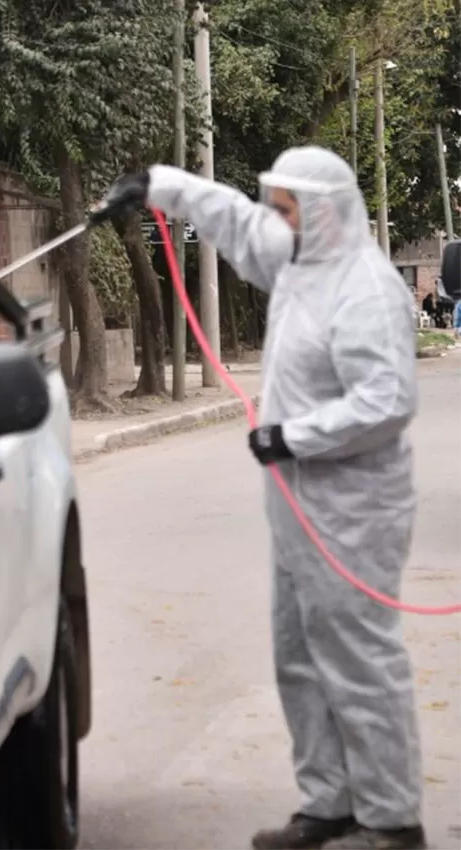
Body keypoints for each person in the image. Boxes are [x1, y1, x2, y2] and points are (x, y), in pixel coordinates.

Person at [99, 147, 426, 850]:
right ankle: (330, 803)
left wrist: (293, 437)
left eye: (289, 208)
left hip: (354, 509)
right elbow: (237, 221)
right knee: (299, 653)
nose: (276, 220)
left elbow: (388, 400)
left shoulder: (365, 289)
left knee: (359, 660)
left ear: (326, 213)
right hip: (301, 502)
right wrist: (158, 186)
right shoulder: (300, 263)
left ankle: (392, 819)